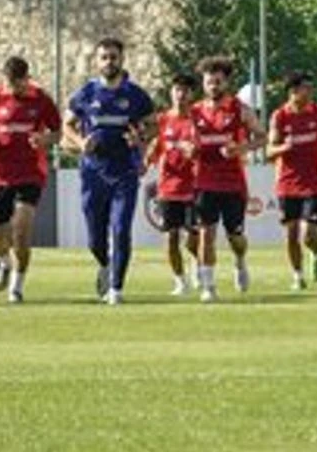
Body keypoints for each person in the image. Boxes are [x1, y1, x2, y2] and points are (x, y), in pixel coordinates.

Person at [63, 38, 156, 305]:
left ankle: (116, 288)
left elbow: (153, 126)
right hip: (93, 173)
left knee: (121, 228)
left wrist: (140, 138)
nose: (109, 62)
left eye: (113, 57)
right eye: (104, 57)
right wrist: (81, 142)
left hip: (125, 171)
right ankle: (105, 264)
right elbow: (67, 125)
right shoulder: (86, 93)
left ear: (122, 59)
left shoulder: (136, 95)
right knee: (95, 239)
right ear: (97, 61)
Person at [0, 56, 61, 303]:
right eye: (11, 83)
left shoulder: (41, 99)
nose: (16, 88)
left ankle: (17, 287)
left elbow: (57, 132)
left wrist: (45, 139)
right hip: (0, 175)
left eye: (20, 82)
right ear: (5, 80)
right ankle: (3, 262)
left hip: (30, 172)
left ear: (27, 78)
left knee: (21, 232)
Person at [190, 55, 266, 302]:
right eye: (209, 82)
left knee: (235, 237)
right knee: (206, 233)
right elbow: (186, 141)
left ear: (226, 83)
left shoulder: (239, 109)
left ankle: (240, 260)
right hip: (204, 181)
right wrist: (189, 149)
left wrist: (241, 148)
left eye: (218, 82)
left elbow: (262, 137)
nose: (213, 86)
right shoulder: (195, 112)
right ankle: (208, 286)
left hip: (232, 183)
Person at [266, 71, 317, 290]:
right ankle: (297, 276)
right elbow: (269, 151)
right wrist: (283, 148)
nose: (310, 92)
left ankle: (315, 252)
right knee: (291, 234)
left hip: (312, 183)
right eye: (306, 88)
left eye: (311, 87)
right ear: (293, 91)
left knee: (309, 234)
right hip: (287, 184)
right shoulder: (280, 116)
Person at [146, 72, 201, 295]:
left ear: (192, 94)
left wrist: (194, 151)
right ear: (171, 93)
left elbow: (203, 149)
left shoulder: (198, 120)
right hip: (168, 188)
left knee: (193, 239)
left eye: (185, 91)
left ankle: (197, 262)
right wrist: (148, 156)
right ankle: (180, 281)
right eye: (177, 90)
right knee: (170, 238)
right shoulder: (162, 120)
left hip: (194, 186)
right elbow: (154, 147)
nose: (180, 94)